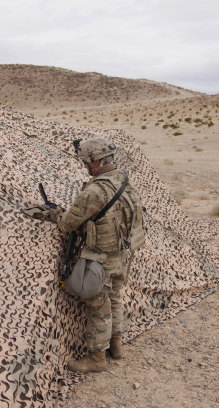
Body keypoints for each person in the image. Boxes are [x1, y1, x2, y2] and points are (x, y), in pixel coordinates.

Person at [44, 137, 144, 373]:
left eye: (86, 163)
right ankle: (116, 347)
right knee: (115, 298)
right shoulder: (123, 179)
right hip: (122, 253)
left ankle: (97, 359)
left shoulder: (94, 191)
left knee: (99, 306)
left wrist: (53, 215)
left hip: (101, 258)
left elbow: (67, 224)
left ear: (94, 162)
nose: (85, 167)